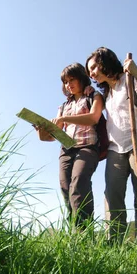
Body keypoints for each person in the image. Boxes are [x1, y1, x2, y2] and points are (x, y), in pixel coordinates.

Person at [85, 47, 137, 243]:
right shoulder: (107, 92)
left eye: (93, 67)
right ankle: (114, 244)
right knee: (112, 194)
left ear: (105, 62)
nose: (92, 73)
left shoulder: (130, 78)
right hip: (115, 148)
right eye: (89, 71)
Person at [36, 62, 104, 229]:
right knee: (66, 188)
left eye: (72, 79)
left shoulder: (93, 96)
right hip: (66, 150)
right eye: (66, 82)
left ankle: (85, 233)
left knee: (79, 183)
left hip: (87, 146)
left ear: (82, 78)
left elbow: (93, 118)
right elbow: (52, 137)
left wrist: (65, 119)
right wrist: (40, 130)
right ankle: (75, 231)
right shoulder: (64, 106)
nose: (69, 84)